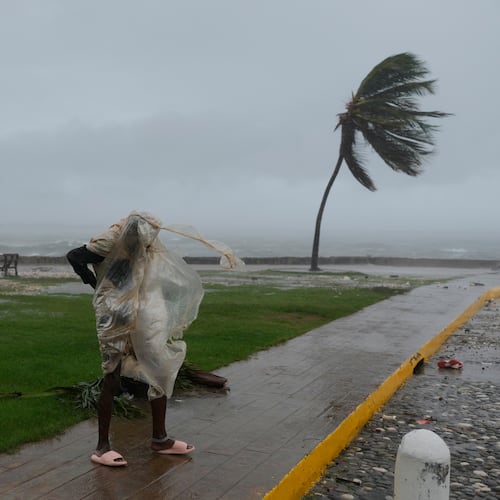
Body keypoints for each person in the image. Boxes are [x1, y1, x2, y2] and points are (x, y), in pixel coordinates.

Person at [67, 211, 204, 467]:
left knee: (159, 368)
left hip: (141, 308)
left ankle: (160, 438)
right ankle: (101, 447)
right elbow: (75, 256)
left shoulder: (148, 242)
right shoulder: (109, 241)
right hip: (114, 311)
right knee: (113, 373)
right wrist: (95, 283)